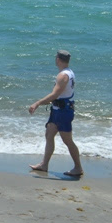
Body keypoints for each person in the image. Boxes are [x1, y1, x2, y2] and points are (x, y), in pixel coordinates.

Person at [28, 49, 84, 178]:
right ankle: (44, 164)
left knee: (68, 140)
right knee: (49, 133)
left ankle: (78, 167)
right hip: (58, 110)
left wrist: (37, 103)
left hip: (64, 112)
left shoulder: (63, 75)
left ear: (58, 59)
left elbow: (55, 94)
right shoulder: (67, 73)